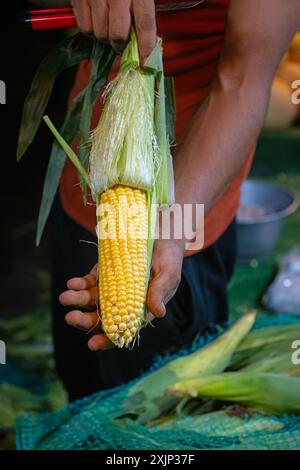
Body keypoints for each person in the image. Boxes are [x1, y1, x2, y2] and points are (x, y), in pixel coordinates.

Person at [35, 0, 300, 400]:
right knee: (83, 383)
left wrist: (172, 233)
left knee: (154, 401)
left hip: (187, 210)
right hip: (84, 188)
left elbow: (241, 83)